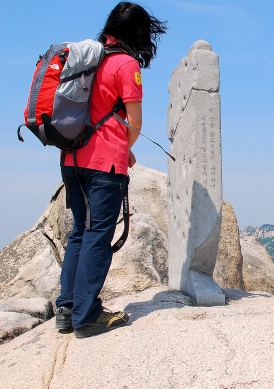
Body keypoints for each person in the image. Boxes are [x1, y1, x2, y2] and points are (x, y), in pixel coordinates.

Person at [54, 2, 167, 339]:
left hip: (71, 158)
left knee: (80, 231)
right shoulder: (126, 64)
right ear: (138, 33)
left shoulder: (87, 59)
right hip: (104, 165)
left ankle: (67, 307)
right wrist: (124, 148)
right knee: (98, 236)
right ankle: (87, 317)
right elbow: (135, 121)